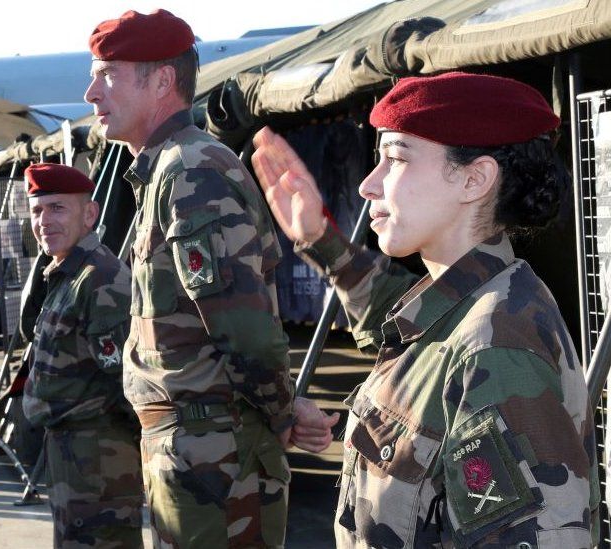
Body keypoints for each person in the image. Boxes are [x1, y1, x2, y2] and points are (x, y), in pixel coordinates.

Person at [251, 72, 600, 547]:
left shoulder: (495, 345)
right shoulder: (466, 302)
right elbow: (398, 320)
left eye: (394, 159)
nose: (368, 186)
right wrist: (318, 240)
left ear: (474, 179)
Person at [83, 9, 336, 546]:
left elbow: (240, 325)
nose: (90, 93)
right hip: (195, 447)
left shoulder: (192, 170)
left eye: (107, 74)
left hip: (215, 455)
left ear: (162, 81)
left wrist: (282, 408)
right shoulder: (167, 169)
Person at [21, 163, 143, 547]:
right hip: (72, 454)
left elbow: (130, 384)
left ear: (89, 214)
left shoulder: (99, 279)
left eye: (57, 208)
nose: (44, 221)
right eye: (37, 211)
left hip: (100, 461)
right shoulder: (66, 274)